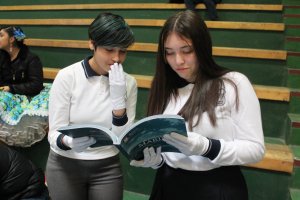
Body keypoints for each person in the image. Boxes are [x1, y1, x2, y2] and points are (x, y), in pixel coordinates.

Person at [130, 10, 265, 200]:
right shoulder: (165, 87)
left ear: (202, 47)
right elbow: (168, 154)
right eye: (169, 53)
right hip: (168, 183)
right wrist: (155, 160)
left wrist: (207, 147)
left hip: (216, 185)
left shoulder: (233, 83)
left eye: (187, 51)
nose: (178, 61)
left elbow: (255, 149)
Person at [46, 12, 137, 200]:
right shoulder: (67, 76)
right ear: (92, 44)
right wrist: (68, 142)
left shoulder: (129, 83)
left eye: (122, 51)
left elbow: (122, 138)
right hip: (65, 164)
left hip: (107, 165)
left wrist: (118, 104)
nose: (117, 58)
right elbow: (54, 133)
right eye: (109, 50)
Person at [0, 26, 44, 96]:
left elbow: (36, 85)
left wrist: (11, 88)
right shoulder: (2, 57)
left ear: (11, 39)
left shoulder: (31, 59)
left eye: (1, 35)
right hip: (5, 94)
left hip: (24, 97)